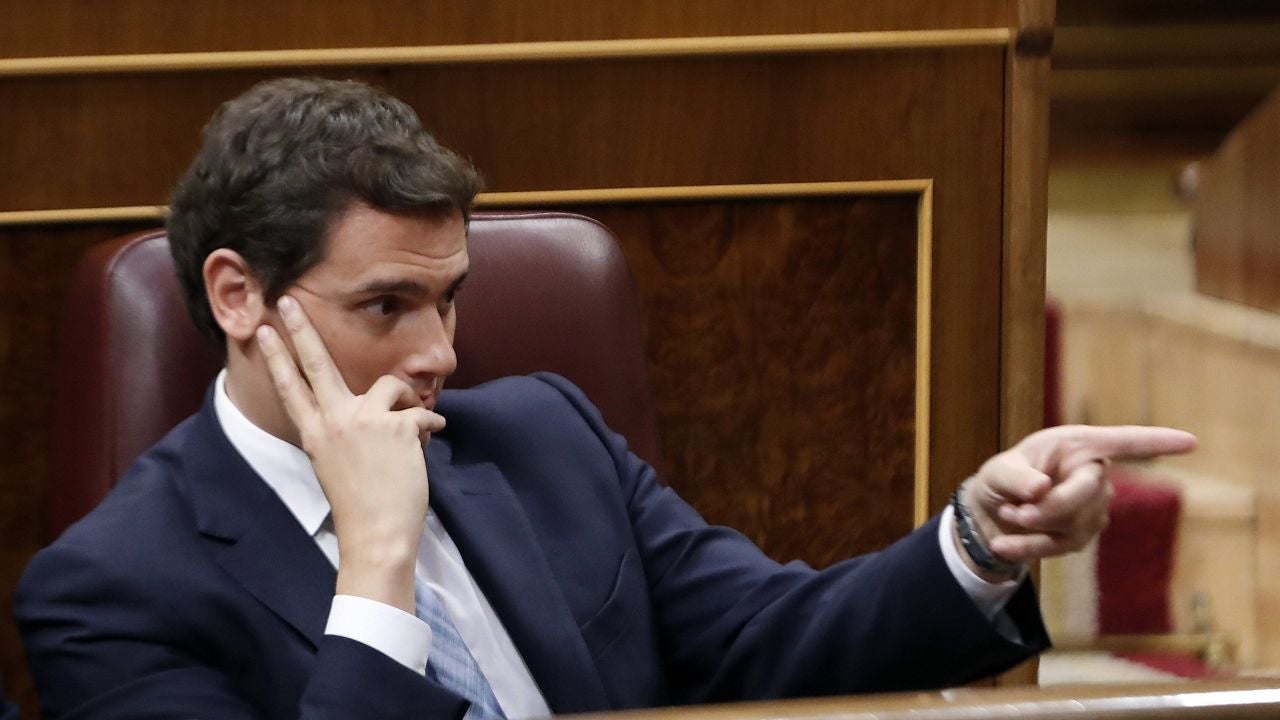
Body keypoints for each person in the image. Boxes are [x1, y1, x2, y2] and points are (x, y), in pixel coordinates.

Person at [15, 78, 1195, 720]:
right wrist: (375, 566)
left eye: (449, 299)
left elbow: (768, 644)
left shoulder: (542, 438)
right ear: (238, 295)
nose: (438, 353)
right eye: (385, 307)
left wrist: (980, 538)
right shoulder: (110, 591)